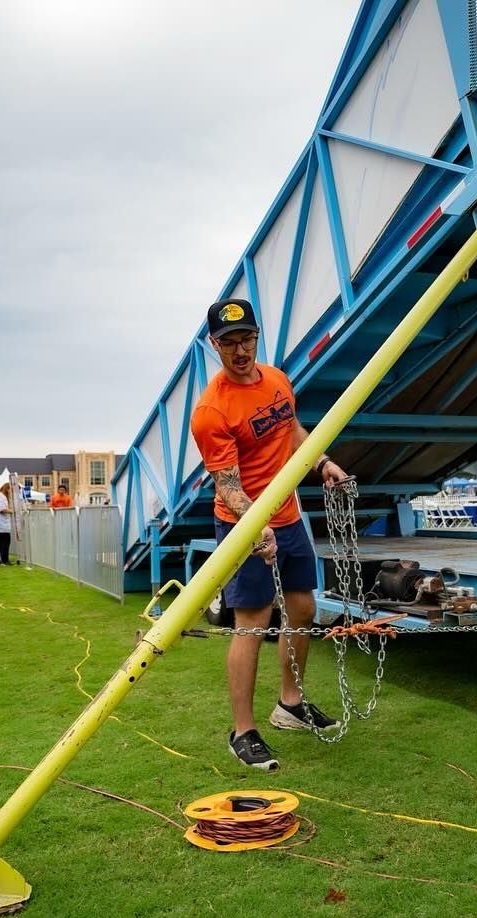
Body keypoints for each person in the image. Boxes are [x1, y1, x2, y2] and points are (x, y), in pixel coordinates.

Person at [190, 297, 350, 771]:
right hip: (242, 521)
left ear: (257, 337)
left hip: (288, 514)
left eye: (247, 339)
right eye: (229, 343)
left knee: (303, 607)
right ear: (214, 346)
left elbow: (293, 430)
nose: (240, 351)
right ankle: (243, 731)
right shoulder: (211, 410)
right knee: (253, 623)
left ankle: (290, 705)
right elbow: (228, 487)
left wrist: (322, 462)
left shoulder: (277, 379)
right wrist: (253, 526)